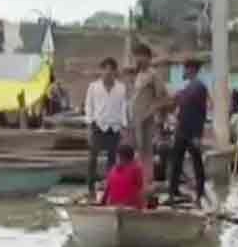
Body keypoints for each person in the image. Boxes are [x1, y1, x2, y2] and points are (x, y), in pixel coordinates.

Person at [84, 58, 128, 196]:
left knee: (112, 159)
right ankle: (90, 187)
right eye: (105, 70)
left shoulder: (121, 88)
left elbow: (124, 107)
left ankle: (110, 187)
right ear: (101, 71)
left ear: (115, 72)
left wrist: (124, 125)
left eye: (111, 70)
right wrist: (90, 123)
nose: (108, 73)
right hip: (98, 125)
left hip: (114, 127)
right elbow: (88, 106)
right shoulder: (93, 86)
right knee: (93, 157)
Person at [130, 43, 172, 187]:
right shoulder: (139, 75)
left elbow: (163, 98)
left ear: (147, 57)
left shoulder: (153, 75)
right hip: (136, 119)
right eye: (135, 57)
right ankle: (140, 181)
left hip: (146, 120)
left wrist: (151, 112)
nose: (137, 60)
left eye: (140, 56)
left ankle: (147, 182)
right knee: (139, 151)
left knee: (146, 152)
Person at [169, 59, 208, 205]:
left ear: (191, 69)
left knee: (196, 162)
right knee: (176, 161)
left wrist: (198, 135)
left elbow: (201, 113)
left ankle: (199, 192)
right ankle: (173, 192)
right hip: (181, 130)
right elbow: (179, 107)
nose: (183, 72)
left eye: (185, 69)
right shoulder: (186, 88)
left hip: (192, 132)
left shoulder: (199, 88)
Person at [101, 144, 144, 209]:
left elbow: (139, 188)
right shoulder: (114, 169)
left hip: (122, 206)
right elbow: (108, 187)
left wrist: (103, 202)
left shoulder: (135, 169)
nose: (116, 158)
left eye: (117, 156)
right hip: (122, 206)